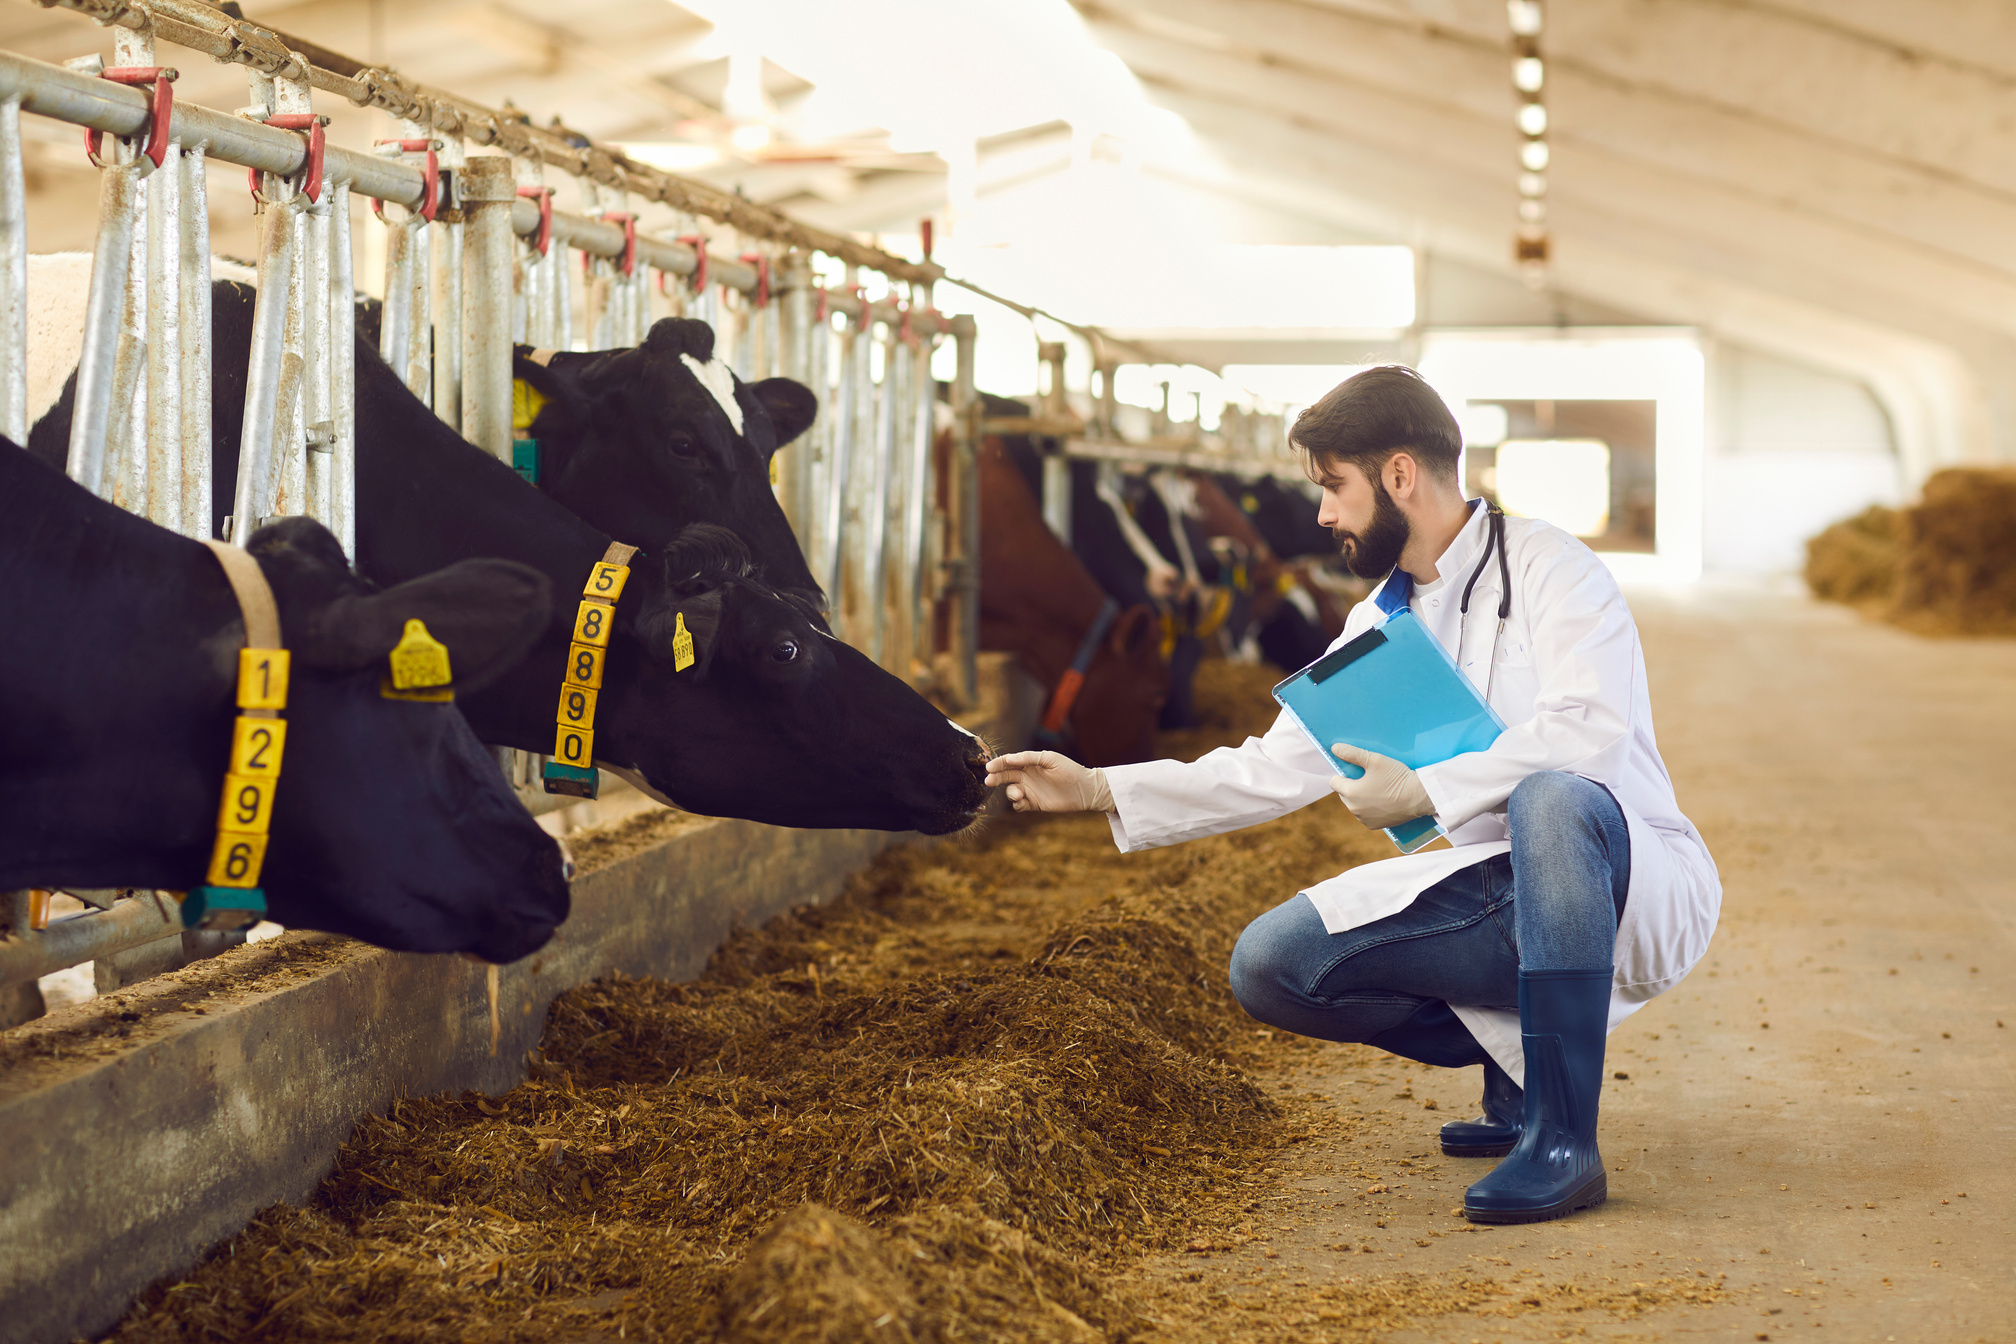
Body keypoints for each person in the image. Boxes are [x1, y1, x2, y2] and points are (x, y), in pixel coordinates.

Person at [985, 366, 1719, 1225]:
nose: (1325, 513)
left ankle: (1564, 1140)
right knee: (1272, 965)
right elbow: (1276, 764)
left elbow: (1588, 735)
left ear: (1399, 475)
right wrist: (1101, 787)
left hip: (1625, 881)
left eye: (1335, 486)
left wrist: (1425, 785)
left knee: (1551, 798)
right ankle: (1519, 1077)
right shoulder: (1378, 620)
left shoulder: (1556, 569)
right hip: (1501, 893)